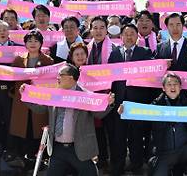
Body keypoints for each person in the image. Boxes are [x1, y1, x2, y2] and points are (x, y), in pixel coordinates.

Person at [23, 65, 115, 176]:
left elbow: (98, 114)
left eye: (60, 75)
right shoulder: (54, 94)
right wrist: (25, 96)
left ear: (70, 78)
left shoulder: (85, 96)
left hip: (79, 149)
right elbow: (40, 109)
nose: (57, 77)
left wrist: (109, 103)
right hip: (57, 149)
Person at [107, 23, 155, 176]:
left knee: (136, 138)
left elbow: (153, 76)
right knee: (119, 138)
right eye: (126, 34)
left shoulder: (146, 53)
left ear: (137, 37)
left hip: (138, 104)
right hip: (119, 104)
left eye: (132, 34)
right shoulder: (115, 54)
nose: (129, 36)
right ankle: (118, 167)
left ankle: (137, 166)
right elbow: (110, 78)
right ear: (121, 37)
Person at [143, 73, 187, 176]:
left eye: (175, 84)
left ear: (180, 87)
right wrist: (125, 111)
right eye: (169, 84)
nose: (173, 87)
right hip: (164, 154)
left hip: (183, 151)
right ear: (163, 88)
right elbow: (141, 119)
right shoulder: (156, 105)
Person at [10, 30, 53, 166]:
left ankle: (37, 160)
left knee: (37, 131)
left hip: (39, 101)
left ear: (41, 43)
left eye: (36, 41)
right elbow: (11, 79)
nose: (33, 43)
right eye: (29, 41)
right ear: (25, 44)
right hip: (21, 102)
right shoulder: (18, 60)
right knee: (23, 129)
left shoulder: (48, 61)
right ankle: (22, 161)